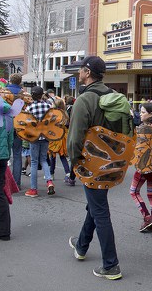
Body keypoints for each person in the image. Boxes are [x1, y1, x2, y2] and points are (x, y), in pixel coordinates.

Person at [67, 56, 122, 280]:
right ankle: (81, 246)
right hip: (112, 162)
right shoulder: (114, 97)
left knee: (99, 210)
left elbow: (74, 138)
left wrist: (75, 162)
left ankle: (111, 265)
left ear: (87, 72)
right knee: (95, 204)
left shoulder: (85, 99)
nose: (79, 73)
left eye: (81, 69)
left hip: (91, 163)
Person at [130, 102, 152, 233]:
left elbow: (137, 147)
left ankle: (147, 217)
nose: (141, 114)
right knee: (151, 194)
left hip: (143, 166)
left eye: (143, 112)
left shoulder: (144, 129)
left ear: (150, 114)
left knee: (133, 191)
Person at [24, 86, 55, 197]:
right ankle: (49, 181)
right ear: (42, 95)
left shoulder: (30, 108)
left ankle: (33, 189)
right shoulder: (48, 106)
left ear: (32, 95)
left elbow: (26, 122)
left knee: (34, 161)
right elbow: (53, 119)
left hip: (34, 137)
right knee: (44, 160)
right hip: (45, 137)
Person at [0, 96, 15, 240]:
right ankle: (4, 231)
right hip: (2, 156)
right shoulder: (8, 112)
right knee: (0, 193)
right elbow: (10, 139)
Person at [6, 73, 24, 189]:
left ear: (10, 80)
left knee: (4, 153)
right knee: (17, 155)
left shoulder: (4, 92)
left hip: (5, 125)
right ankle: (16, 182)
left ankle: (5, 181)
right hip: (19, 125)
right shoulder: (23, 94)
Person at [47, 98, 71, 181]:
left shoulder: (53, 114)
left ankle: (51, 173)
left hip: (54, 136)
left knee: (52, 156)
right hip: (63, 137)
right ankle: (67, 172)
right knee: (62, 156)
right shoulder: (65, 114)